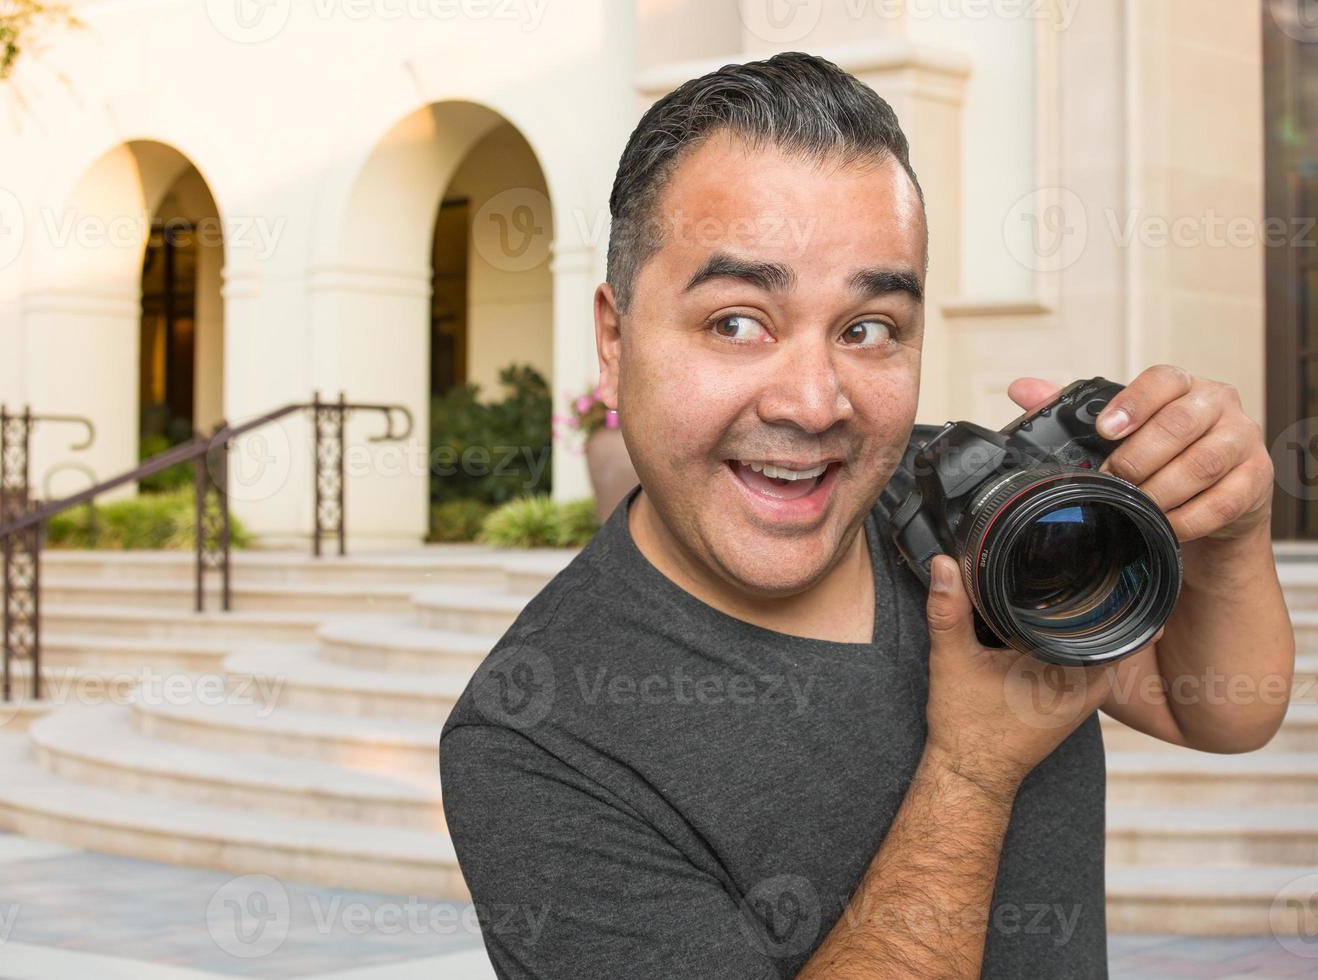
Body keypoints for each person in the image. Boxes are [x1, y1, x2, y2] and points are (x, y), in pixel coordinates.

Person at [439, 50, 1292, 979]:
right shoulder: (538, 737)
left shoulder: (960, 505)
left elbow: (1216, 711)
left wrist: (1232, 539)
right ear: (614, 340)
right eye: (737, 322)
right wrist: (970, 770)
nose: (813, 404)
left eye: (868, 329)